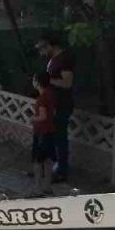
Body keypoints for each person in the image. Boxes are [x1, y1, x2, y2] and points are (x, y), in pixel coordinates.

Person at [36, 32, 74, 182]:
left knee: (60, 139)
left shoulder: (64, 59)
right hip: (52, 104)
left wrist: (48, 81)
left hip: (61, 105)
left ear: (50, 45)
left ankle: (61, 172)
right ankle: (48, 170)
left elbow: (67, 83)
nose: (41, 52)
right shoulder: (53, 60)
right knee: (49, 138)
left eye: (42, 48)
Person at [31, 71, 57, 195]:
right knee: (48, 160)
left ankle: (37, 188)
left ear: (38, 82)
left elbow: (42, 116)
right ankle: (47, 186)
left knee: (38, 160)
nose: (33, 82)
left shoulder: (41, 99)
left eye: (34, 80)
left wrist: (32, 118)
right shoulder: (51, 95)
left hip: (41, 132)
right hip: (51, 131)